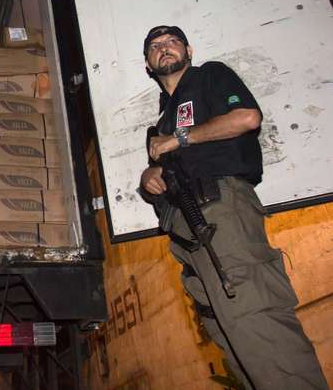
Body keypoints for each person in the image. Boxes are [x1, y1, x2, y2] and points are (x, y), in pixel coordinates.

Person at [139, 25, 328, 390]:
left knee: (255, 314)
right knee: (228, 329)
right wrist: (151, 175)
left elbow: (246, 119)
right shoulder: (162, 118)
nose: (164, 49)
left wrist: (177, 140)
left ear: (189, 51)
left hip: (221, 208)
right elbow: (165, 167)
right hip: (187, 230)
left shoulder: (211, 76)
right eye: (155, 46)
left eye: (172, 42)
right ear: (147, 64)